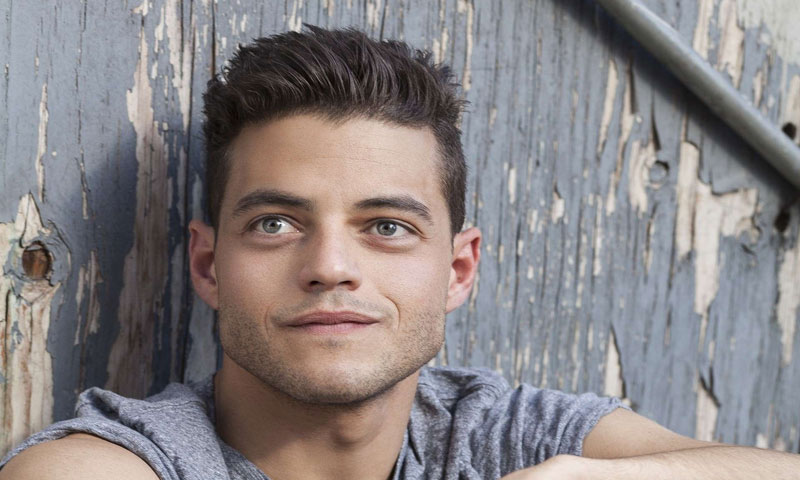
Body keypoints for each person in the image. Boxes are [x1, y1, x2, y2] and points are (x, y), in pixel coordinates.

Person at [1, 24, 798, 480]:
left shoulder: (494, 433)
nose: (331, 265)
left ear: (458, 270)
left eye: (386, 226)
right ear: (208, 265)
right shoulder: (122, 462)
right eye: (275, 223)